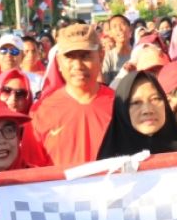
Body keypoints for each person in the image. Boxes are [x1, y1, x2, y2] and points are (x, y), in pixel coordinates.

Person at [31, 24, 116, 166]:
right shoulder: (40, 111)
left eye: (85, 56)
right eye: (70, 57)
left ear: (101, 56)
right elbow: (32, 173)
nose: (78, 65)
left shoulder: (121, 105)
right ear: (58, 61)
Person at [96, 71, 177, 158]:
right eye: (136, 102)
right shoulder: (108, 168)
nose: (147, 110)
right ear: (122, 110)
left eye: (155, 99)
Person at [101, 15, 132, 84]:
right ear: (110, 33)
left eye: (123, 24)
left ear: (130, 30)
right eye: (114, 26)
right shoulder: (108, 57)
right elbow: (104, 84)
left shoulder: (138, 54)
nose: (119, 29)